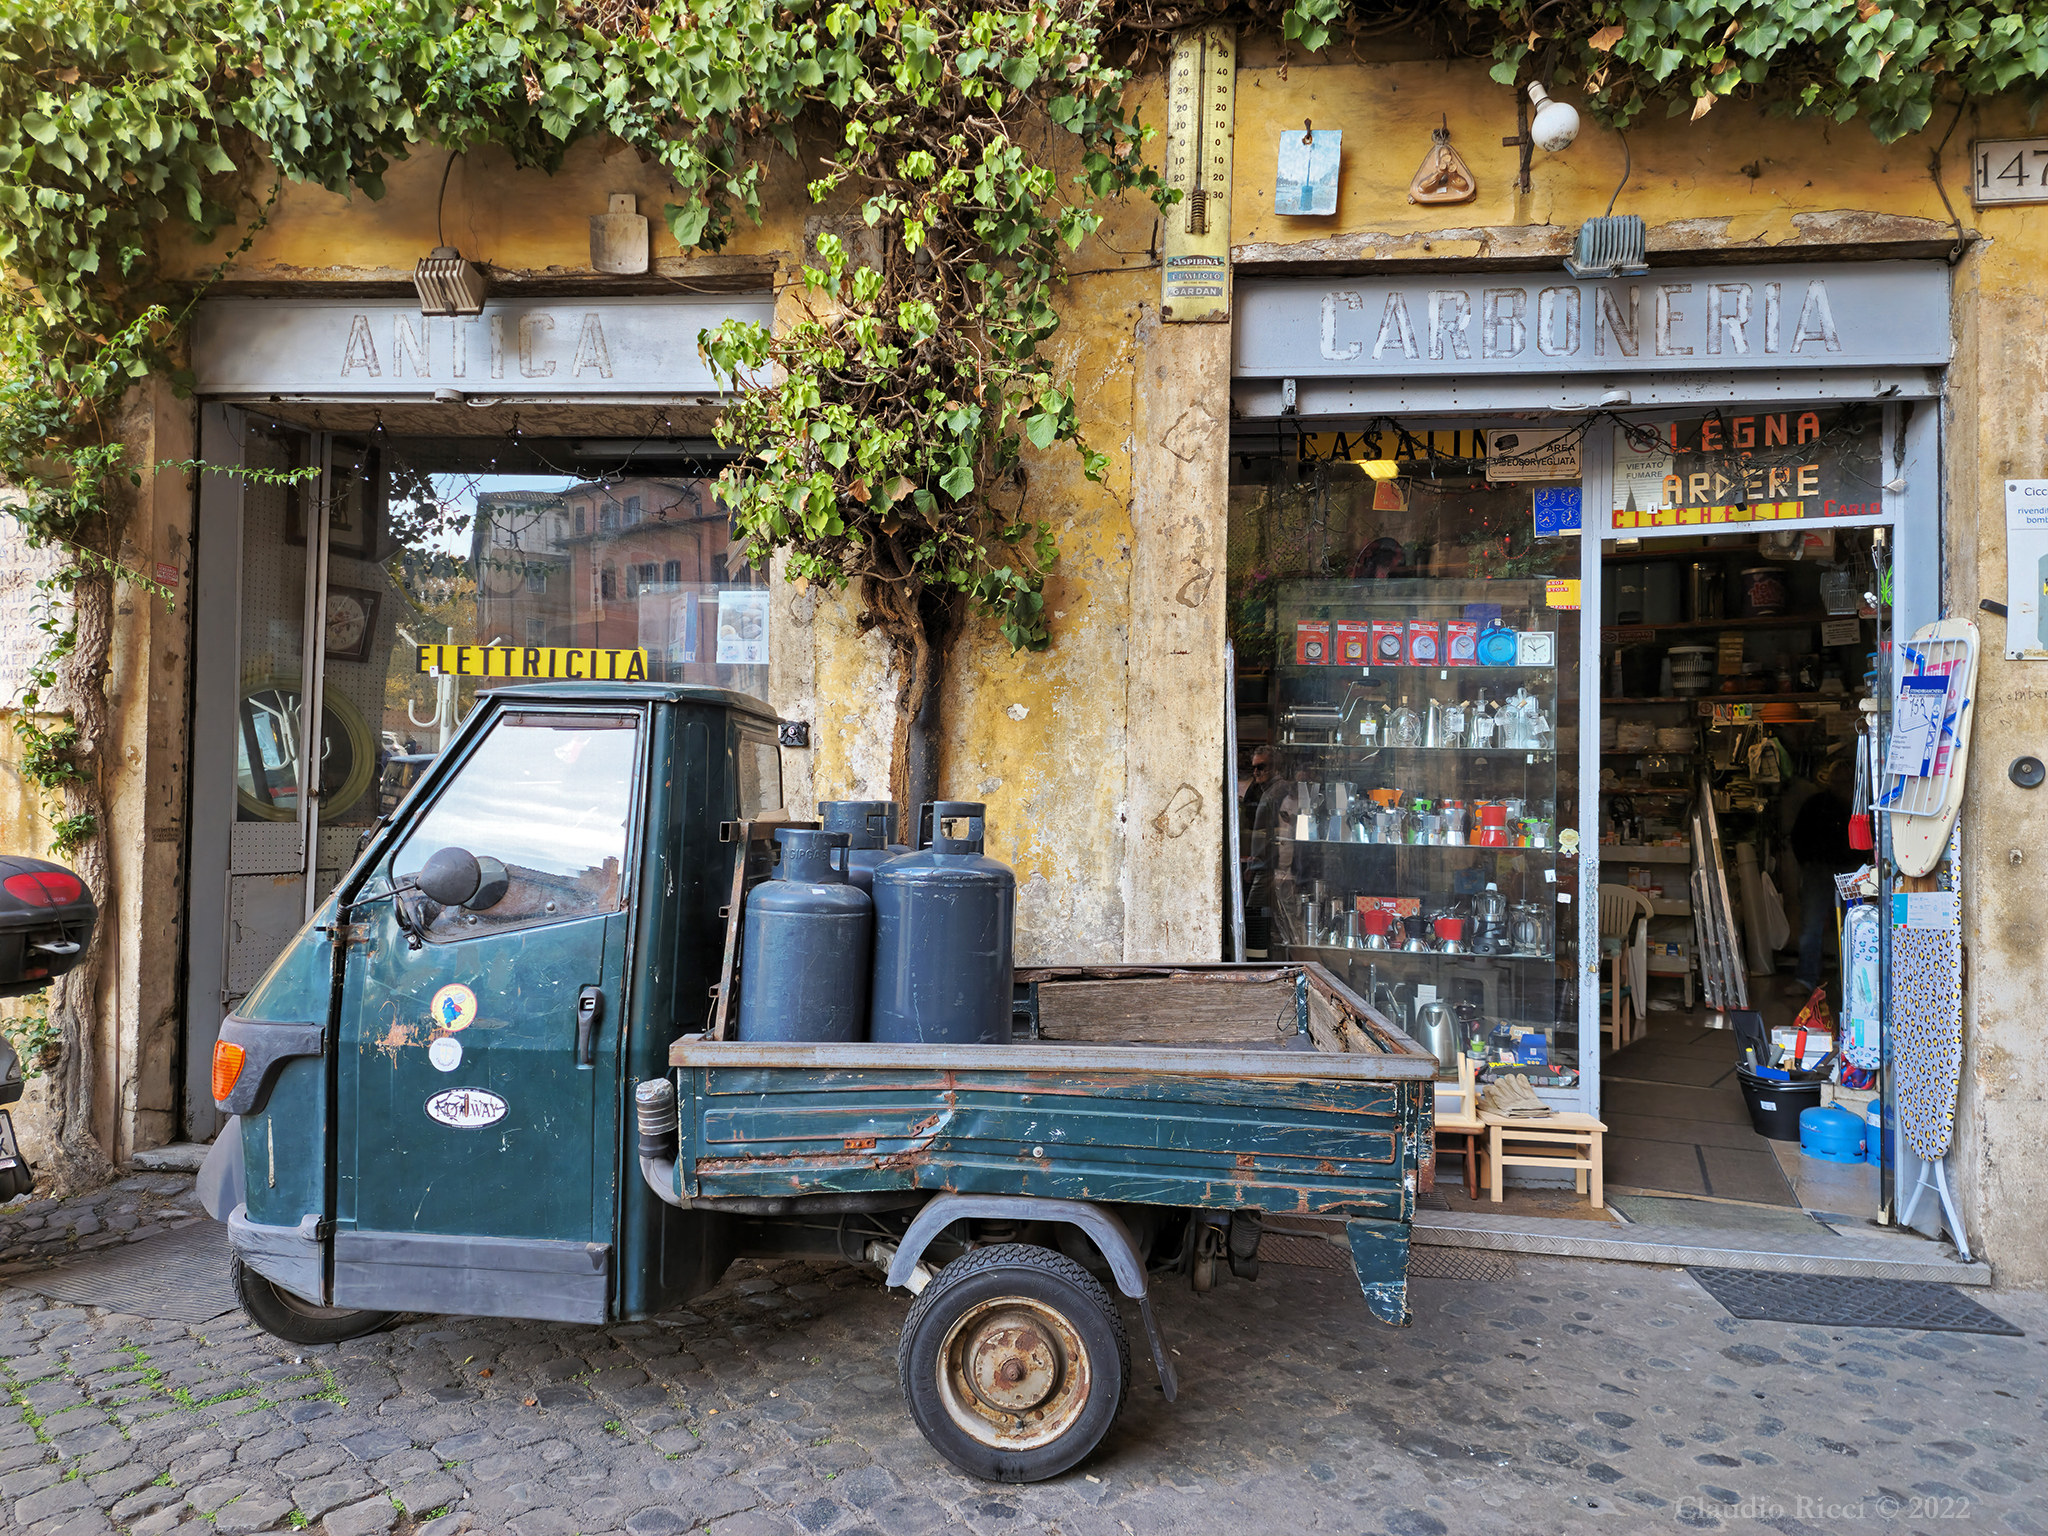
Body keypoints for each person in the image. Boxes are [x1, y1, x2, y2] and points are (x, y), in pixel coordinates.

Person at [1787, 754, 1857, 997]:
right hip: (1819, 870)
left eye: (1846, 781)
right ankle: (1806, 978)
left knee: (1852, 927)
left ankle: (1849, 981)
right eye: (1837, 780)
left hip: (1851, 872)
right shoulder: (1816, 804)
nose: (1841, 785)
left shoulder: (1858, 804)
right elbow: (1798, 837)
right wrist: (1807, 864)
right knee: (1812, 928)